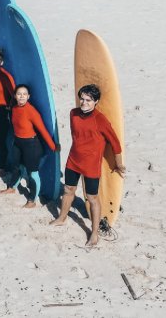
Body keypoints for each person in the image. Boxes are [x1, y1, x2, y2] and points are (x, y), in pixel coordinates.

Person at [50, 84, 125, 247]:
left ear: (96, 101)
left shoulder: (100, 120)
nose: (84, 103)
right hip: (73, 160)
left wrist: (118, 164)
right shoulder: (73, 113)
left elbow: (115, 143)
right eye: (82, 99)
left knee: (91, 198)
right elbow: (76, 136)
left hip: (91, 165)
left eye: (88, 100)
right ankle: (62, 218)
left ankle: (94, 233)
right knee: (68, 190)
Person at [0, 84, 57, 208]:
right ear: (15, 96)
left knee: (32, 173)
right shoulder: (14, 108)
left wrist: (53, 146)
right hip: (17, 142)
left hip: (31, 145)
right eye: (19, 94)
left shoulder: (31, 111)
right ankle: (12, 187)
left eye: (24, 94)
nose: (21, 96)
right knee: (17, 167)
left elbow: (42, 129)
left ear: (28, 96)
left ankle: (32, 200)